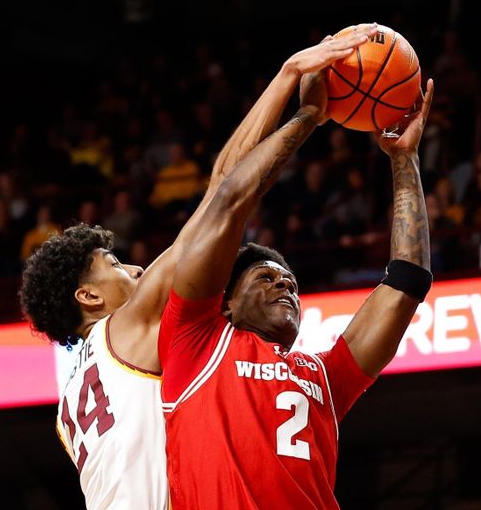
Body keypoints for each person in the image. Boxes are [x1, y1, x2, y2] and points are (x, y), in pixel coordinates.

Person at [18, 27, 377, 510]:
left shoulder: (70, 407)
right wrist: (294, 84)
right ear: (88, 297)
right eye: (116, 265)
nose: (138, 268)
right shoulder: (126, 326)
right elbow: (222, 193)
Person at [158, 76, 434, 509]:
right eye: (265, 278)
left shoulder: (324, 375)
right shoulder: (194, 341)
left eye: (290, 282)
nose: (284, 284)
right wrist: (309, 116)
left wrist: (404, 159)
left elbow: (407, 282)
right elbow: (230, 200)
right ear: (225, 301)